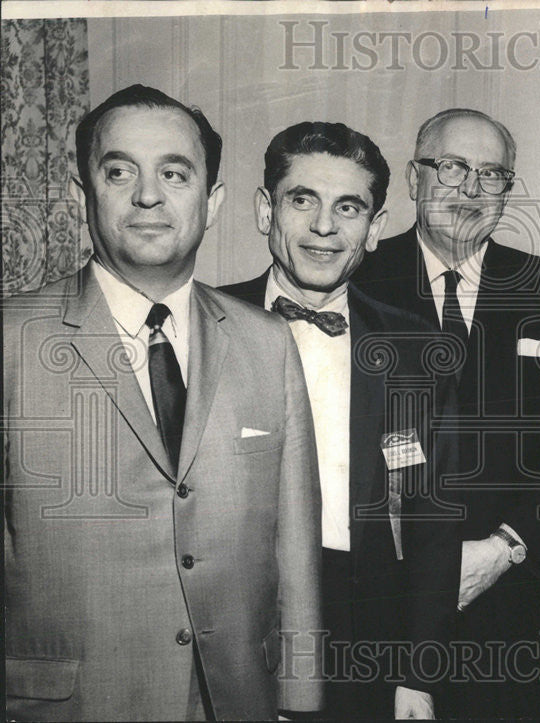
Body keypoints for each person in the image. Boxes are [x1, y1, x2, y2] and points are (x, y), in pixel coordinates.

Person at [3, 85, 323, 720]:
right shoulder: (11, 339)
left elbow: (295, 545)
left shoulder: (266, 342)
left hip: (239, 702)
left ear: (212, 201)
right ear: (80, 193)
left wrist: (300, 697)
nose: (148, 195)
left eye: (174, 173)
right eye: (119, 171)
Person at [351, 108, 540, 718]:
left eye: (492, 175)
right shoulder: (356, 278)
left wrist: (506, 546)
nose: (471, 189)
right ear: (414, 178)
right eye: (454, 167)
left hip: (510, 613)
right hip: (382, 614)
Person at [218, 121, 460, 720]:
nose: (324, 227)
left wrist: (419, 675)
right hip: (231, 621)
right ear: (263, 209)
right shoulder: (202, 327)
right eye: (302, 200)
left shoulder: (416, 347)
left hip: (369, 629)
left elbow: (434, 524)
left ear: (374, 228)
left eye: (348, 208)